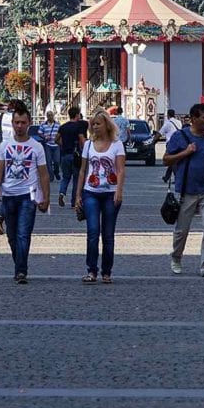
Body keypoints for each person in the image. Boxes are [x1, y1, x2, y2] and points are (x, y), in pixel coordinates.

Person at [164, 102, 204, 278]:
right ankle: (176, 257)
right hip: (186, 190)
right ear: (194, 119)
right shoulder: (180, 136)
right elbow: (166, 159)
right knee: (181, 230)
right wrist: (185, 152)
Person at [0, 103, 49, 284]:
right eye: (16, 122)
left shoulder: (36, 147)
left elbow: (43, 173)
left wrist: (46, 197)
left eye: (23, 123)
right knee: (12, 235)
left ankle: (21, 271)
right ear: (13, 123)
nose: (19, 126)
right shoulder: (5, 146)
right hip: (8, 195)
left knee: (24, 233)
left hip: (28, 195)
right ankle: (20, 264)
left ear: (29, 123)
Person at [76, 109, 126, 284]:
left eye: (98, 123)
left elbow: (120, 170)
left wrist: (119, 191)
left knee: (108, 234)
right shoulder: (89, 145)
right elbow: (82, 171)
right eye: (93, 124)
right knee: (93, 231)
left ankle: (106, 271)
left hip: (110, 193)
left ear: (107, 124)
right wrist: (78, 195)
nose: (95, 127)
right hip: (91, 192)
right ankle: (91, 270)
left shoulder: (117, 144)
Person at [0, 100, 20, 234]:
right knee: (13, 189)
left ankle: (2, 216)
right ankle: (1, 216)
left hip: (0, 156)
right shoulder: (19, 120)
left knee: (6, 188)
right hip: (15, 156)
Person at [56, 106, 88, 208]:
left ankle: (62, 192)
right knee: (76, 179)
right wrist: (85, 151)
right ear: (77, 115)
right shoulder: (79, 126)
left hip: (65, 155)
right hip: (76, 155)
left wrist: (63, 145)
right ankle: (74, 202)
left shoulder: (63, 126)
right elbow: (82, 140)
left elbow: (56, 139)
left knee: (65, 177)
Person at [40, 110, 61, 182]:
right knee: (48, 162)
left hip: (56, 145)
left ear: (53, 116)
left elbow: (60, 133)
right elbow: (39, 132)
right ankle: (51, 176)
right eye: (48, 115)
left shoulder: (58, 124)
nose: (50, 117)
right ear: (47, 116)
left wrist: (58, 138)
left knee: (57, 161)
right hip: (48, 145)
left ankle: (56, 172)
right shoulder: (43, 124)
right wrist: (44, 137)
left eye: (51, 115)